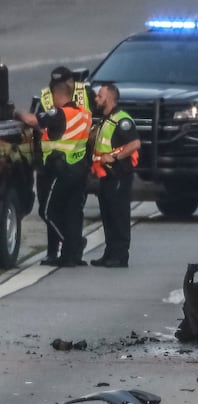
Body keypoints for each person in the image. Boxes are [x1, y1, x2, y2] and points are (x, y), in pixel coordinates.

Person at [16, 80, 91, 267]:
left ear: (58, 96)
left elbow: (33, 120)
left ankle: (73, 245)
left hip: (62, 170)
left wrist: (15, 113)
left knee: (47, 211)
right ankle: (70, 257)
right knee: (72, 213)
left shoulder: (60, 113)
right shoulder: (84, 114)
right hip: (80, 170)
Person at [35, 66, 93, 266]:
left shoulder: (86, 94)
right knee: (66, 210)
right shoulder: (45, 97)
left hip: (66, 166)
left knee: (55, 211)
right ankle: (61, 253)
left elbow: (36, 121)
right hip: (63, 165)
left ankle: (72, 248)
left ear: (73, 81)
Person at [89, 83, 140, 268]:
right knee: (108, 216)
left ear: (110, 98)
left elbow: (134, 144)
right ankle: (109, 253)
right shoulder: (105, 120)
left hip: (119, 174)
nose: (96, 99)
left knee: (119, 216)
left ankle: (120, 256)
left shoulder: (122, 120)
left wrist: (115, 156)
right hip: (106, 176)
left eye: (99, 96)